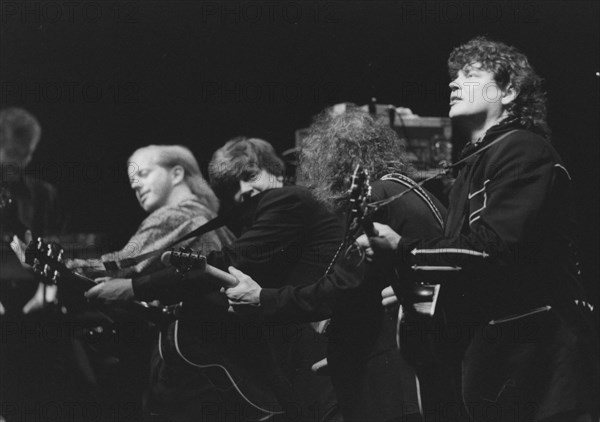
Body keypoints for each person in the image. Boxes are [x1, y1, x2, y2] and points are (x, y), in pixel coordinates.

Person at [355, 37, 599, 422]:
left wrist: (403, 249)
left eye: (470, 75)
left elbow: (493, 250)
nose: (454, 83)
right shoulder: (477, 163)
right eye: (454, 77)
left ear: (508, 90)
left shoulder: (522, 149)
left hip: (538, 359)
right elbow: (475, 270)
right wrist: (412, 289)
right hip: (505, 357)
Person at [88, 137, 345, 422]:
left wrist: (135, 287)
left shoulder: (286, 199)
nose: (244, 191)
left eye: (249, 176)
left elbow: (228, 262)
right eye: (233, 188)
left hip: (320, 347)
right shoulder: (267, 215)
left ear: (277, 172)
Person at [223, 109, 451, 422]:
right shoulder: (415, 192)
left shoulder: (377, 198)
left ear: (335, 163)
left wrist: (261, 298)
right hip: (420, 370)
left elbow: (341, 288)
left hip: (388, 383)